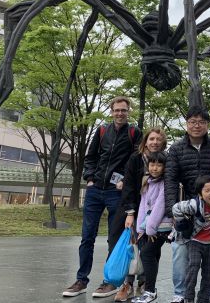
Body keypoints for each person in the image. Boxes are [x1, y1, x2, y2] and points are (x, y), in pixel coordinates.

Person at [63, 96, 142, 298]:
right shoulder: (102, 131)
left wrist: (126, 179)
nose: (120, 113)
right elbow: (90, 157)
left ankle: (110, 281)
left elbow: (137, 160)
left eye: (124, 110)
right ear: (111, 111)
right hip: (95, 189)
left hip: (117, 193)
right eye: (116, 110)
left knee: (113, 238)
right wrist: (89, 178)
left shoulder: (134, 132)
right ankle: (81, 280)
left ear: (128, 111)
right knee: (87, 236)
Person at [164, 106, 210, 303]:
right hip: (187, 209)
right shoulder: (176, 149)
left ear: (207, 125)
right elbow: (171, 180)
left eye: (201, 122)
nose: (196, 125)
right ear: (186, 124)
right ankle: (180, 293)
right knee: (180, 252)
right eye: (192, 121)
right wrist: (172, 211)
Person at [111, 127, 168, 302]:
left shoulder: (165, 160)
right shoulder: (136, 159)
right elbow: (128, 185)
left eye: (158, 139)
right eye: (151, 139)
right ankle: (126, 284)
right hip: (134, 208)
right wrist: (130, 212)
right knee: (130, 247)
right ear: (146, 141)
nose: (155, 142)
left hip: (156, 214)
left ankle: (145, 284)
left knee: (150, 250)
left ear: (163, 143)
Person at [172, 175, 210, 303]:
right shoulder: (194, 204)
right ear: (200, 194)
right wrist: (183, 221)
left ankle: (203, 299)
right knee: (193, 269)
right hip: (195, 241)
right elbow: (175, 208)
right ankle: (188, 298)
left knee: (208, 273)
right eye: (207, 190)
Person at [134, 151, 173, 303]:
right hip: (148, 226)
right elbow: (143, 206)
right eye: (152, 164)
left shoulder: (165, 183)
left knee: (147, 254)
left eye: (159, 165)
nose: (155, 168)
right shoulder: (147, 181)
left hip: (161, 227)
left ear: (164, 167)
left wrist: (149, 229)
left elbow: (160, 206)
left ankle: (150, 291)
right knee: (150, 255)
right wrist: (140, 229)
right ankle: (150, 291)